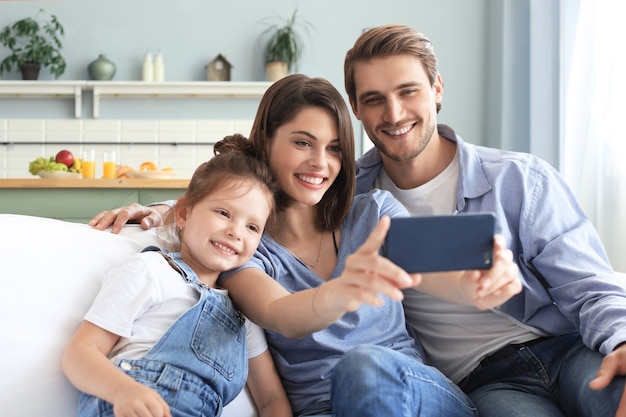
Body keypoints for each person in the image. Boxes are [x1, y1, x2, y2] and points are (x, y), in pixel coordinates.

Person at [87, 74, 522, 416]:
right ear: (266, 142)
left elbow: (432, 275)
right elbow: (282, 315)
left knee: (365, 366)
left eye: (334, 148)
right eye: (302, 143)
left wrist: (479, 285)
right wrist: (341, 291)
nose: (320, 163)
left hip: (416, 397)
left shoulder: (373, 215)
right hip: (319, 408)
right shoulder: (246, 249)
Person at [345, 24, 626, 417]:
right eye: (374, 99)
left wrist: (622, 341)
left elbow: (589, 285)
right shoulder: (348, 202)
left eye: (408, 91)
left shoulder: (520, 178)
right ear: (355, 108)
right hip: (487, 382)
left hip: (567, 348)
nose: (394, 114)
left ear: (437, 89)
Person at [62, 138, 292, 417]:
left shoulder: (243, 315)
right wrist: (123, 391)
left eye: (252, 226)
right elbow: (80, 352)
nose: (236, 231)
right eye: (223, 213)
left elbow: (271, 400)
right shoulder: (150, 270)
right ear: (183, 213)